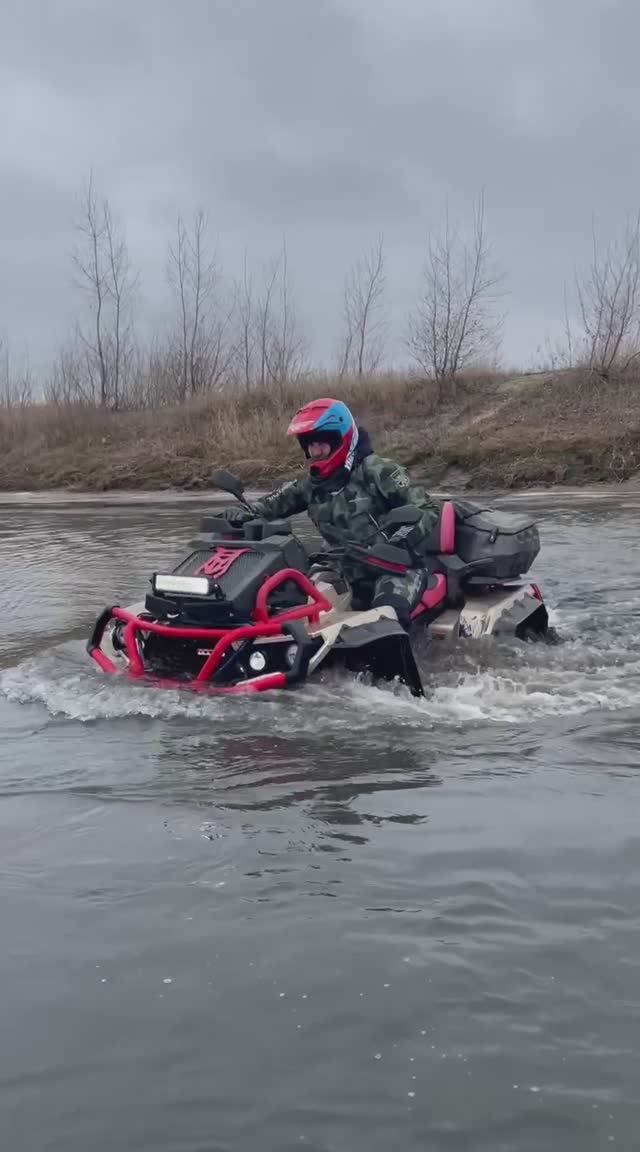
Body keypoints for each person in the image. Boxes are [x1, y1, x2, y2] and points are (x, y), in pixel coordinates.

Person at [221, 398, 441, 627]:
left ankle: (402, 648)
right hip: (341, 569)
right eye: (310, 444)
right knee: (291, 608)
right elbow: (270, 506)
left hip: (394, 567)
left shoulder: (378, 471)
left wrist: (401, 538)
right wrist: (242, 513)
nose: (315, 451)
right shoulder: (310, 485)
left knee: (388, 616)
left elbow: (425, 508)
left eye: (322, 443)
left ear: (340, 439)